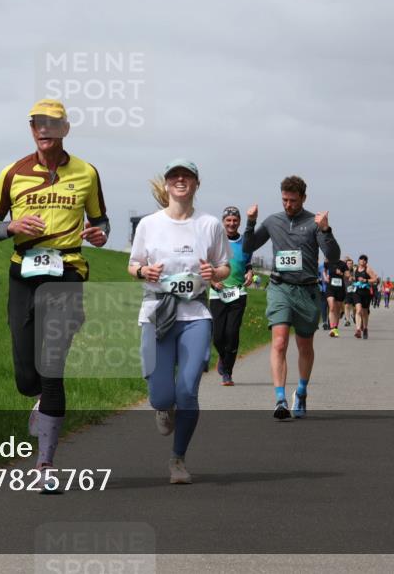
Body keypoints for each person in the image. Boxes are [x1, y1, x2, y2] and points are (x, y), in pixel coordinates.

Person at [0, 98, 109, 491]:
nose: (43, 129)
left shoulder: (86, 172)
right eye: (37, 122)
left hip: (67, 271)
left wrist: (100, 234)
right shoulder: (12, 173)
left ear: (65, 129)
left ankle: (46, 465)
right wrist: (12, 227)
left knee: (52, 364)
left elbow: (100, 220)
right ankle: (36, 397)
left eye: (52, 123)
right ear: (31, 128)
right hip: (24, 272)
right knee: (26, 374)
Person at [129, 159, 230, 483]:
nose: (180, 180)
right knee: (161, 395)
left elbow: (224, 268)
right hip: (157, 311)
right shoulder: (149, 224)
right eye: (174, 175)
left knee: (187, 391)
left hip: (195, 314)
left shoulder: (210, 224)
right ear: (168, 183)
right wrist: (145, 272)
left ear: (196, 184)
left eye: (187, 176)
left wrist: (214, 273)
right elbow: (133, 265)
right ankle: (162, 407)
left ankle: (178, 460)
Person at [243, 175, 341, 420]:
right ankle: (280, 399)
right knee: (279, 342)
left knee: (304, 345)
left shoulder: (314, 223)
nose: (288, 205)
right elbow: (248, 246)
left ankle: (302, 391)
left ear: (303, 198)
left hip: (307, 290)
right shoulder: (273, 221)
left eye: (293, 201)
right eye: (285, 200)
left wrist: (326, 229)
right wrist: (250, 223)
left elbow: (333, 255)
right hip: (280, 288)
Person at [208, 206, 254, 386]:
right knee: (218, 336)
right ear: (223, 222)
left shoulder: (246, 242)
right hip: (217, 292)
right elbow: (206, 265)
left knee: (232, 333)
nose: (232, 223)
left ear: (239, 222)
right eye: (228, 220)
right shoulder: (215, 241)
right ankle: (222, 356)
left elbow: (248, 263)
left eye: (235, 220)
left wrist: (250, 272)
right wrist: (212, 281)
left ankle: (227, 372)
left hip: (238, 292)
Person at [352, 255, 380, 339]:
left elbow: (375, 279)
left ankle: (365, 328)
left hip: (366, 293)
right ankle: (358, 330)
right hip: (357, 292)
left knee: (364, 312)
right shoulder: (355, 269)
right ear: (358, 261)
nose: (363, 261)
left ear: (366, 262)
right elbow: (354, 276)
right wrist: (351, 278)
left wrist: (365, 280)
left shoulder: (368, 269)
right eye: (361, 259)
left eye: (364, 260)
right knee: (358, 310)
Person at [324, 258, 348, 337]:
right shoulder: (328, 262)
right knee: (331, 307)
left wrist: (341, 273)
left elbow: (348, 275)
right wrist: (325, 277)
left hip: (340, 289)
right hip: (330, 288)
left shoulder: (343, 264)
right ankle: (332, 328)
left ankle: (335, 328)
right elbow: (324, 270)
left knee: (337, 310)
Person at [343, 257, 357, 327]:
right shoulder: (344, 271)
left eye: (351, 263)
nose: (350, 265)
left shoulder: (355, 271)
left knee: (355, 307)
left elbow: (358, 278)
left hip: (355, 291)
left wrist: (353, 278)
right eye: (348, 263)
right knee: (347, 305)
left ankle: (354, 316)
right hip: (347, 290)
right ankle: (347, 320)